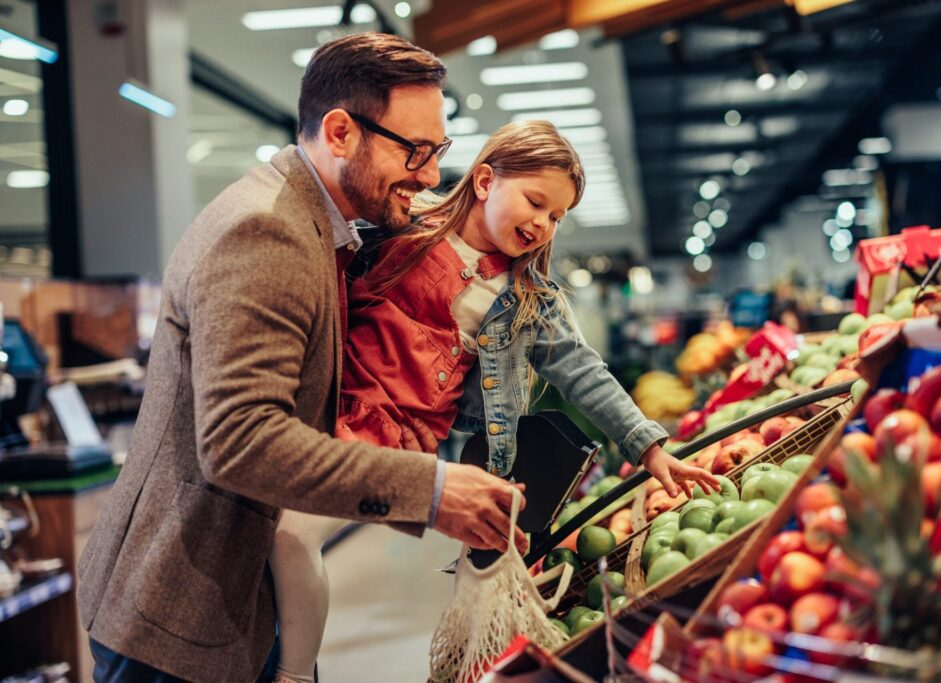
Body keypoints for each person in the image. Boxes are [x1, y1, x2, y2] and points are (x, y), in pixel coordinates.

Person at [77, 33, 528, 683]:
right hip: (180, 620)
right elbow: (239, 439)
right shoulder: (267, 231)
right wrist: (428, 490)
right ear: (341, 131)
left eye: (440, 152)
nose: (431, 175)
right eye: (416, 151)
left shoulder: (319, 225)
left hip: (231, 598)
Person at [268, 120, 720, 683]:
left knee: (292, 534)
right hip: (317, 407)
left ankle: (292, 675)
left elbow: (584, 372)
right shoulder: (401, 231)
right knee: (269, 535)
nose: (543, 224)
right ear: (484, 180)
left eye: (557, 216)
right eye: (535, 201)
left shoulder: (529, 300)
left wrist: (649, 446)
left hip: (391, 437)